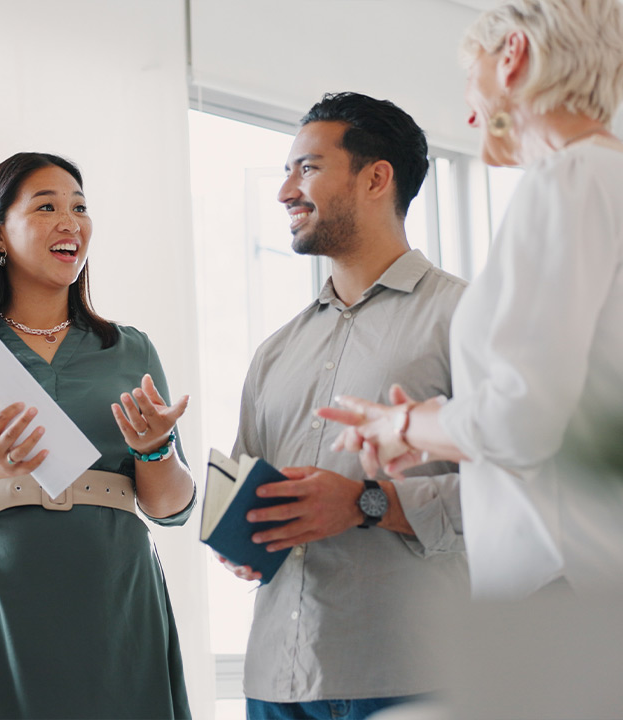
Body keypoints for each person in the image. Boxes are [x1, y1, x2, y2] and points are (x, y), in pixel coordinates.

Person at [0, 152, 196, 718]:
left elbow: (171, 508)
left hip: (115, 597)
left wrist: (156, 449)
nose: (70, 221)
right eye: (46, 206)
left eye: (80, 207)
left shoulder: (131, 349)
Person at [320, 0, 623, 601]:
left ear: (512, 56)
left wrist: (400, 421)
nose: (468, 111)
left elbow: (522, 421)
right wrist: (428, 433)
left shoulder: (565, 180)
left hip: (562, 587)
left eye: (470, 77)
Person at [223, 93, 469, 720]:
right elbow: (246, 486)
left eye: (306, 168)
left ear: (376, 177)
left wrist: (366, 503)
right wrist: (237, 534)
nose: (285, 191)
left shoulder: (467, 318)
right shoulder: (274, 353)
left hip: (415, 675)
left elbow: (529, 491)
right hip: (277, 678)